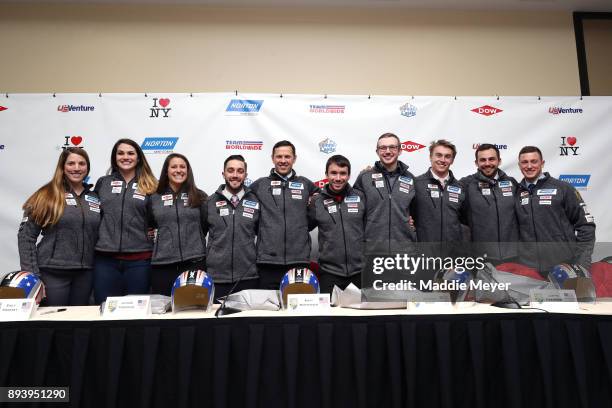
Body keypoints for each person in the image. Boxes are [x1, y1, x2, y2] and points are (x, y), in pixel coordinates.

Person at [18, 147, 100, 306]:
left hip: (85, 273)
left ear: (87, 168)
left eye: (81, 163)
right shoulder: (46, 194)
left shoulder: (94, 197)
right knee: (52, 324)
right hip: (52, 272)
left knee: (79, 324)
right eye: (71, 163)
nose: (76, 168)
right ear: (62, 167)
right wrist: (33, 276)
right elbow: (26, 236)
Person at [93, 138, 158, 304]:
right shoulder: (103, 183)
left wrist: (151, 230)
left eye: (130, 153)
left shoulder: (151, 184)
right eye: (120, 153)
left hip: (140, 260)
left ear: (138, 157)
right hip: (105, 260)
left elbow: (158, 216)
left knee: (136, 313)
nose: (125, 157)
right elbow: (93, 215)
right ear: (115, 157)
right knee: (105, 310)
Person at [249, 140, 319, 290]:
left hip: (299, 260)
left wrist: (302, 226)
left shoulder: (306, 184)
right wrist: (265, 231)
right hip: (268, 262)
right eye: (279, 156)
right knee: (269, 309)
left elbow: (332, 194)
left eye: (287, 157)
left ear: (294, 158)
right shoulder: (259, 185)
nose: (283, 161)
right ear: (272, 158)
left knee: (297, 310)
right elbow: (246, 214)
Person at [515, 146, 595, 273]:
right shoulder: (516, 192)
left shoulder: (563, 188)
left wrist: (581, 264)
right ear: (519, 165)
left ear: (542, 163)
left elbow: (586, 226)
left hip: (563, 265)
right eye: (525, 162)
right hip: (529, 269)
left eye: (534, 161)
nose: (529, 166)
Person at [148, 153, 207, 296]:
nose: (178, 170)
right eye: (174, 167)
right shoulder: (154, 197)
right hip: (162, 264)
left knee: (193, 308)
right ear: (166, 171)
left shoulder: (199, 196)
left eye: (182, 167)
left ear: (188, 170)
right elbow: (149, 224)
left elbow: (204, 226)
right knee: (163, 311)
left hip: (194, 263)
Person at [203, 155, 260, 299]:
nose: (235, 175)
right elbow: (200, 233)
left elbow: (263, 233)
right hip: (217, 277)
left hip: (248, 276)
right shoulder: (209, 202)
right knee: (218, 321)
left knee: (247, 321)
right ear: (223, 174)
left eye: (240, 171)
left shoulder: (256, 201)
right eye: (230, 170)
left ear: (245, 175)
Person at [308, 155, 365, 293]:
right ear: (326, 174)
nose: (338, 178)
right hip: (329, 273)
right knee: (329, 315)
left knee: (363, 314)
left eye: (343, 173)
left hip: (361, 272)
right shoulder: (317, 202)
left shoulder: (361, 197)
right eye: (333, 173)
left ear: (349, 175)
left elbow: (375, 223)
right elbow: (301, 227)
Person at [353, 132, 417, 254]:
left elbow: (419, 213)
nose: (387, 151)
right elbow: (353, 212)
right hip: (373, 250)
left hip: (404, 250)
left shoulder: (412, 180)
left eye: (392, 147)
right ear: (377, 151)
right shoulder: (364, 177)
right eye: (383, 148)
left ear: (400, 150)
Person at [460, 143, 519, 263]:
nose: (487, 163)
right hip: (481, 257)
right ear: (476, 163)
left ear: (499, 161)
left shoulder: (512, 183)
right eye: (482, 160)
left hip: (513, 256)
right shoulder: (466, 184)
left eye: (491, 159)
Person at [411, 140, 465, 247]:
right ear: (431, 157)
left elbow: (465, 218)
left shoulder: (460, 187)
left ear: (452, 160)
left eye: (447, 156)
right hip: (424, 253)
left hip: (452, 254)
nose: (442, 160)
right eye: (438, 155)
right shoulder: (416, 184)